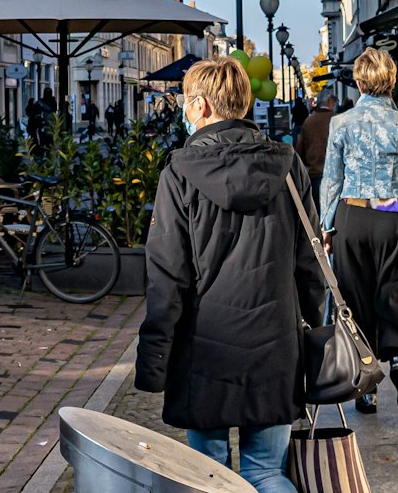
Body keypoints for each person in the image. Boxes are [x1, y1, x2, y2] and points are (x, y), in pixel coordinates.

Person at [136, 56, 326, 493]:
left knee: (208, 476)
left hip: (204, 348)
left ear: (201, 105)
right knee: (266, 473)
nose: (184, 110)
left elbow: (167, 277)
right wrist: (312, 330)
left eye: (186, 102)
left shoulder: (180, 171)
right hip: (275, 345)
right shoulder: (288, 166)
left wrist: (153, 361)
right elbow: (311, 261)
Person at [319, 48, 398, 415]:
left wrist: (327, 226)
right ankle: (397, 359)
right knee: (395, 290)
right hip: (393, 214)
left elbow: (331, 181)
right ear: (392, 81)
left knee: (355, 298)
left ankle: (367, 388)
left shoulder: (342, 124)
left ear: (359, 82)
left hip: (353, 214)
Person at [295, 93, 336, 206]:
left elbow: (300, 151)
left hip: (316, 173)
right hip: (336, 175)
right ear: (329, 102)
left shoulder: (309, 122)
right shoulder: (338, 120)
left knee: (317, 213)